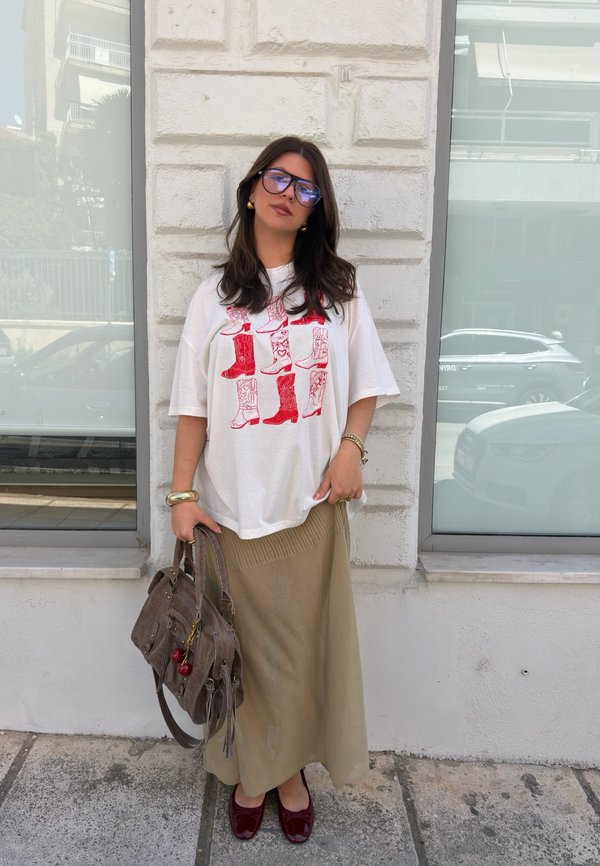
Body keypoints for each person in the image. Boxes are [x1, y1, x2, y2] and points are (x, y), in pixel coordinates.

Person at [167, 136, 399, 844]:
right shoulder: (212, 298)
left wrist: (353, 450)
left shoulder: (338, 292)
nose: (286, 193)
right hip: (232, 512)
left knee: (300, 654)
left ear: (312, 213)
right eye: (276, 178)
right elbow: (193, 406)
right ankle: (251, 770)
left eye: (304, 188)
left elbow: (365, 387)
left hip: (310, 508)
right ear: (250, 191)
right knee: (242, 656)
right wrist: (181, 496)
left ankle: (290, 770)